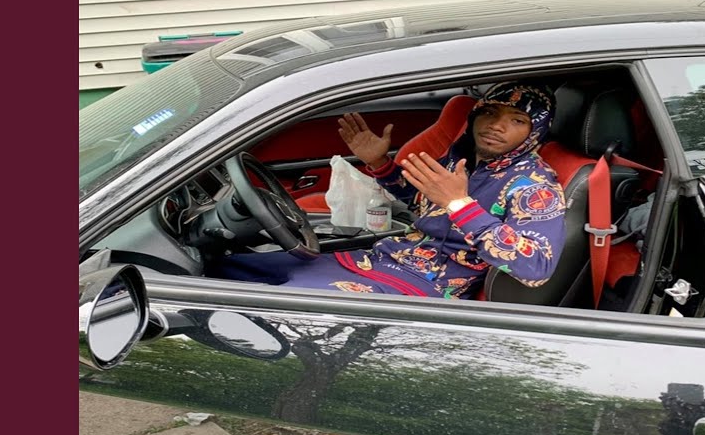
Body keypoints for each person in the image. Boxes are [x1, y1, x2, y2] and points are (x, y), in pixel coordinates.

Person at [216, 82, 566, 298]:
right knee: (226, 269)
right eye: (490, 112)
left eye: (517, 120)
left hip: (425, 284)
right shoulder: (462, 158)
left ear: (534, 131)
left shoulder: (535, 186)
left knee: (283, 302)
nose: (497, 126)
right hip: (381, 259)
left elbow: (535, 267)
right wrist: (380, 164)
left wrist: (460, 204)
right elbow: (421, 202)